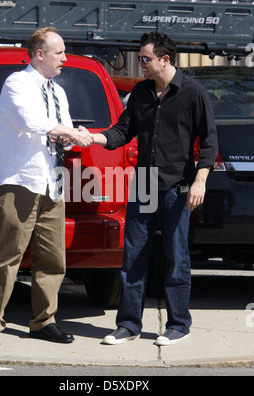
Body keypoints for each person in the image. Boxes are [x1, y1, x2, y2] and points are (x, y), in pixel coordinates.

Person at [92, 32, 218, 346]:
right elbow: (122, 132)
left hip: (178, 186)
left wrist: (200, 181)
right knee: (133, 256)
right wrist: (91, 137)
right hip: (145, 184)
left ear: (164, 59)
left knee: (177, 257)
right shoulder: (141, 93)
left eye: (146, 58)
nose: (141, 64)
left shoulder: (192, 93)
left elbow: (210, 142)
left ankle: (178, 324)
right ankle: (129, 324)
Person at [0, 27, 93, 349]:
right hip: (21, 182)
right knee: (7, 255)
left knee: (53, 258)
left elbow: (62, 133)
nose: (65, 59)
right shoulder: (17, 83)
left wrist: (74, 136)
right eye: (59, 53)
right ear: (39, 54)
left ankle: (44, 321)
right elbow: (31, 122)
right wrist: (64, 131)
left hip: (52, 180)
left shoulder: (58, 91)